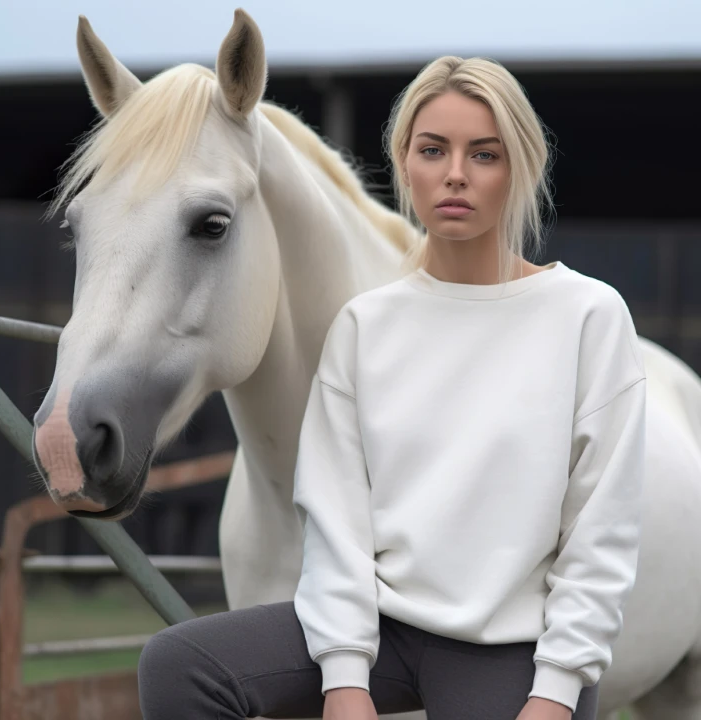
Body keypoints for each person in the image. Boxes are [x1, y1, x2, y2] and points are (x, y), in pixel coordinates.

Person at [138, 55, 646, 720]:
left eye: (484, 154)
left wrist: (555, 692)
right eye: (433, 149)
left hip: (511, 648)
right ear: (404, 159)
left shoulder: (588, 315)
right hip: (385, 632)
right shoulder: (366, 325)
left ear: (519, 166)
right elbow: (336, 519)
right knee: (178, 667)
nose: (456, 173)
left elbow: (601, 532)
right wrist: (346, 681)